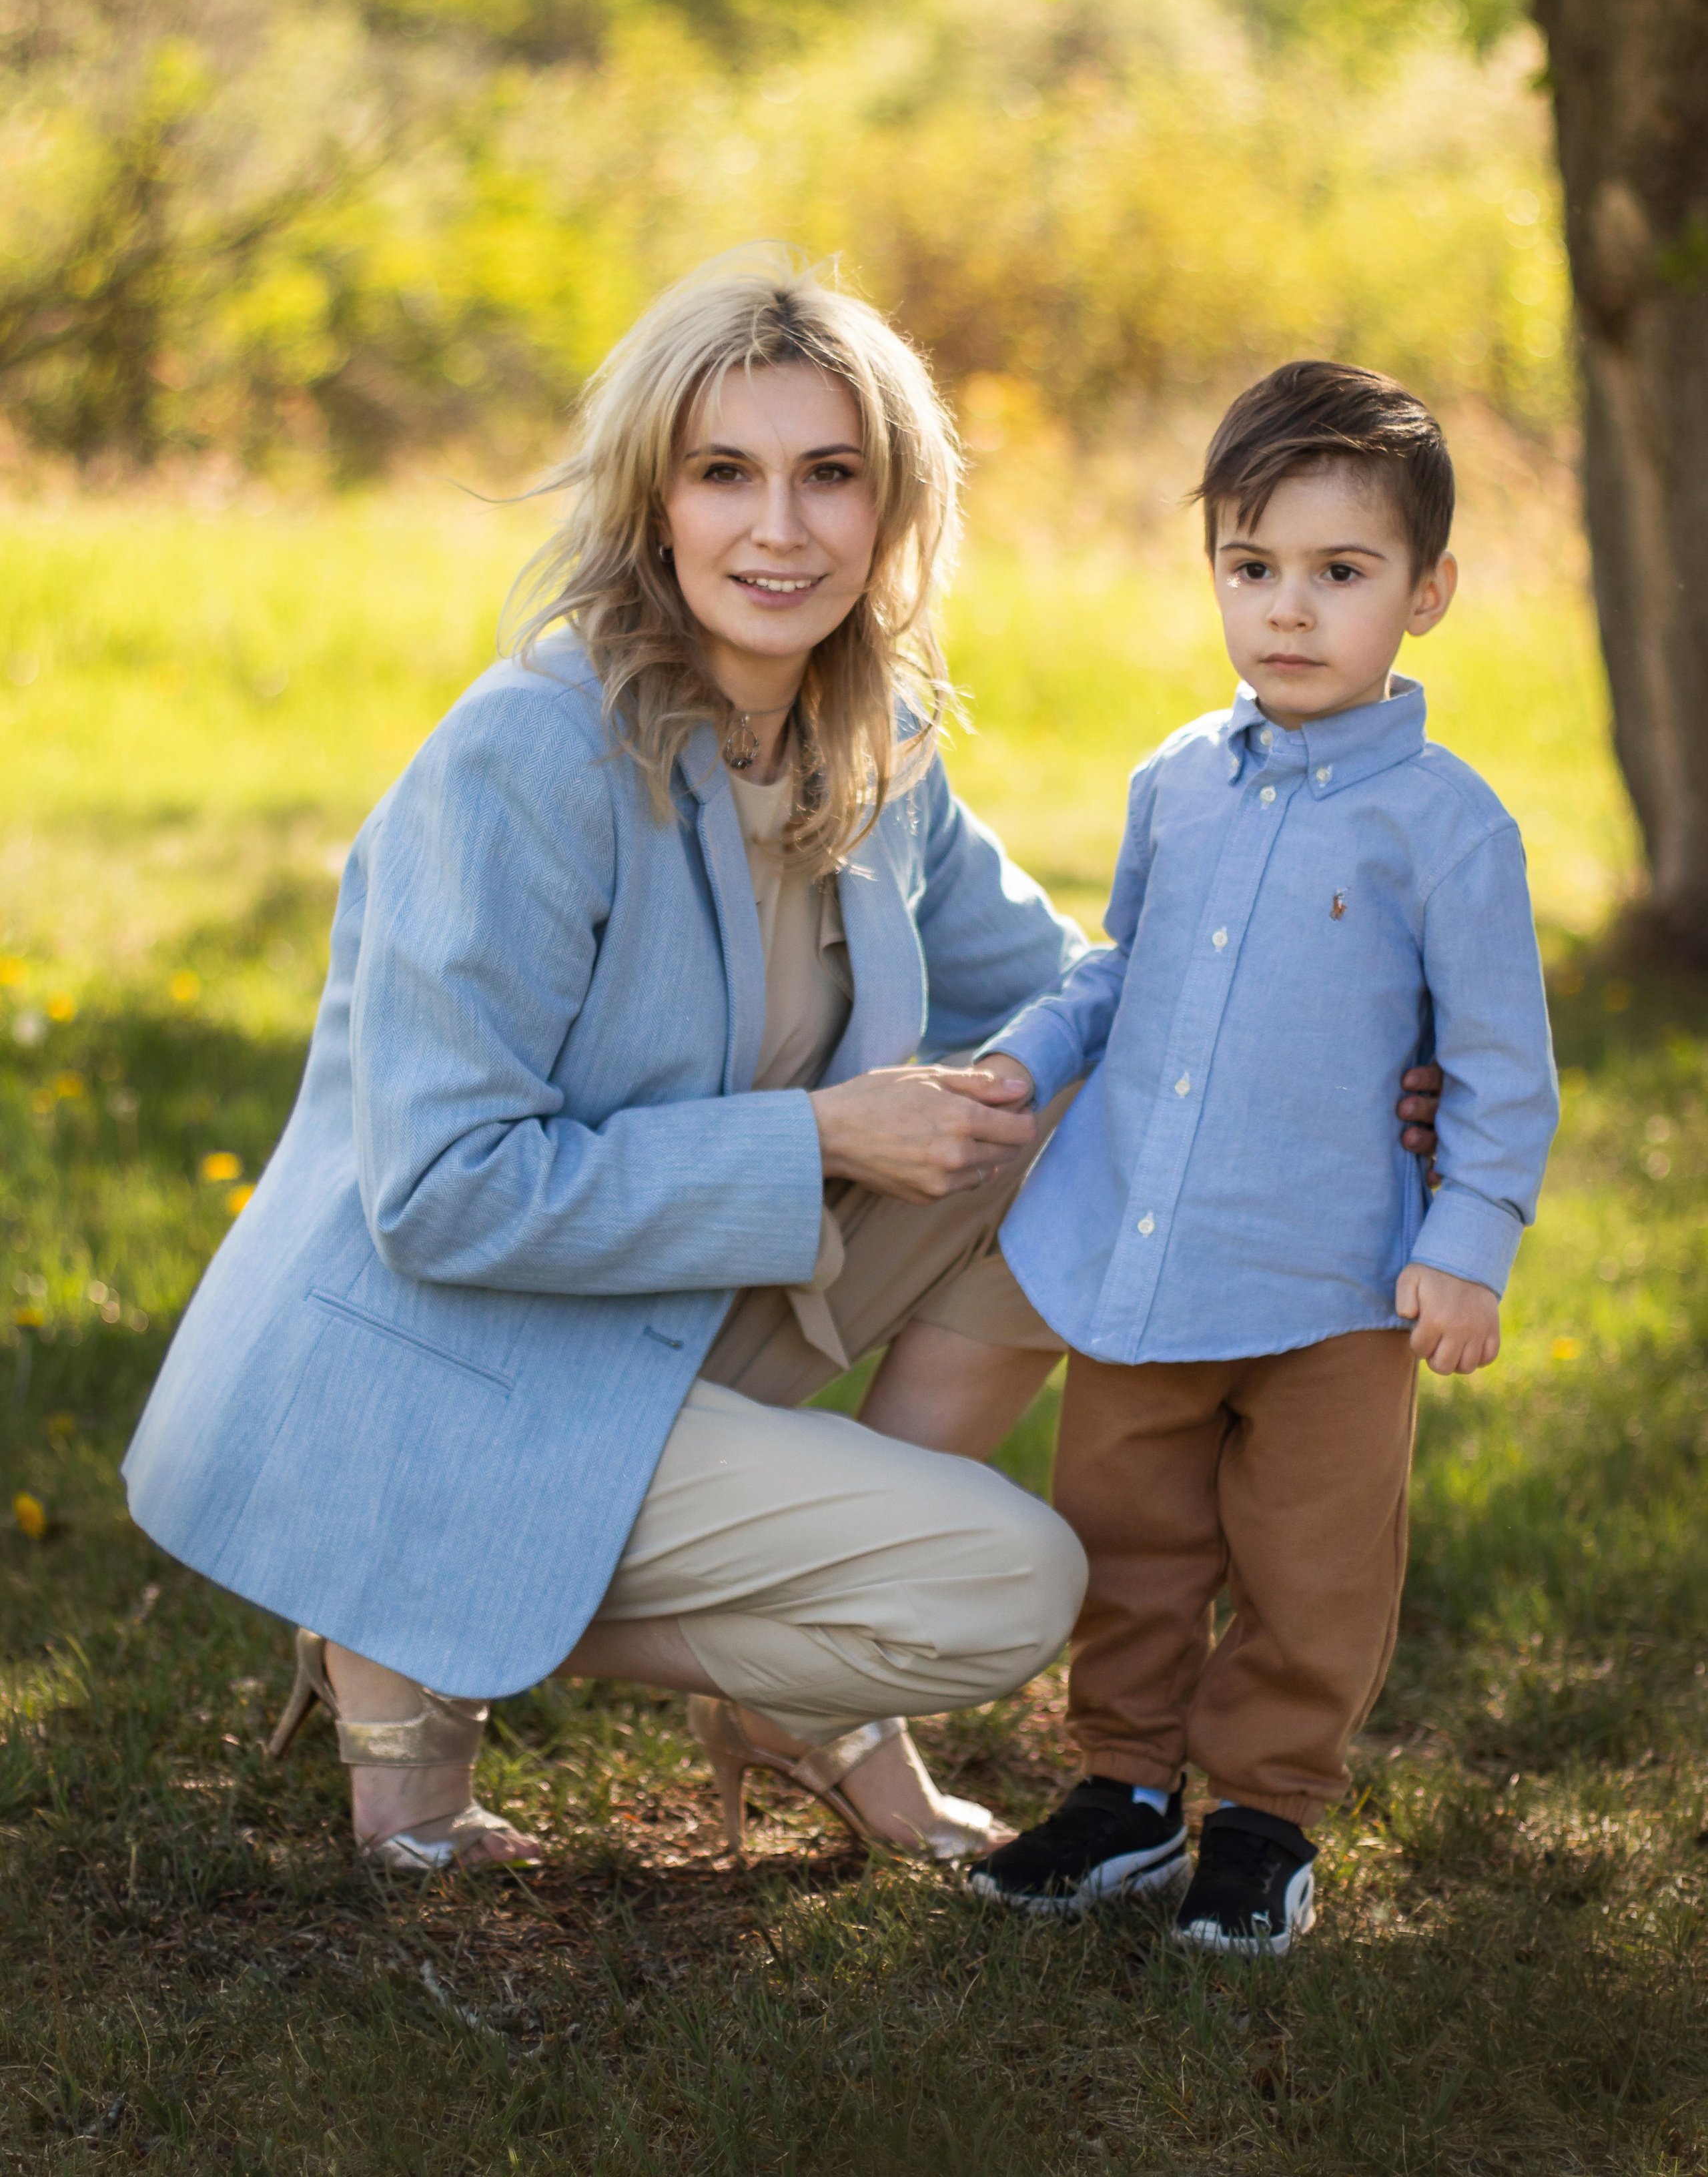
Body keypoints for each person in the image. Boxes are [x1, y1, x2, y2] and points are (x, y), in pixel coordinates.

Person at [123, 248, 1106, 1873]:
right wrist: (818, 1138)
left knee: (1084, 1112)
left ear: (890, 513)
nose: (777, 530)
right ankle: (411, 1607)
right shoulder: (531, 752)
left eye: (828, 477)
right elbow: (441, 1195)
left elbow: (1075, 996)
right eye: (724, 473)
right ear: (654, 503)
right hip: (438, 1367)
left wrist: (1335, 1038)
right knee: (1002, 1585)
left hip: (636, 1325)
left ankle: (788, 1630)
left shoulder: (870, 748)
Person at [966, 360, 1557, 1954]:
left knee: (1310, 1567)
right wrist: (1033, 1054)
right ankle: (1122, 1793)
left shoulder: (1448, 829)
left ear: (1424, 594)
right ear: (1213, 571)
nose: (1286, 612)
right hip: (1145, 1259)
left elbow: (1500, 1067)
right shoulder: (1175, 781)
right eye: (1251, 568)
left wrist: (1467, 1238)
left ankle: (1267, 1818)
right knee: (1127, 1537)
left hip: (1334, 1283)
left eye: (1339, 574)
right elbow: (1120, 960)